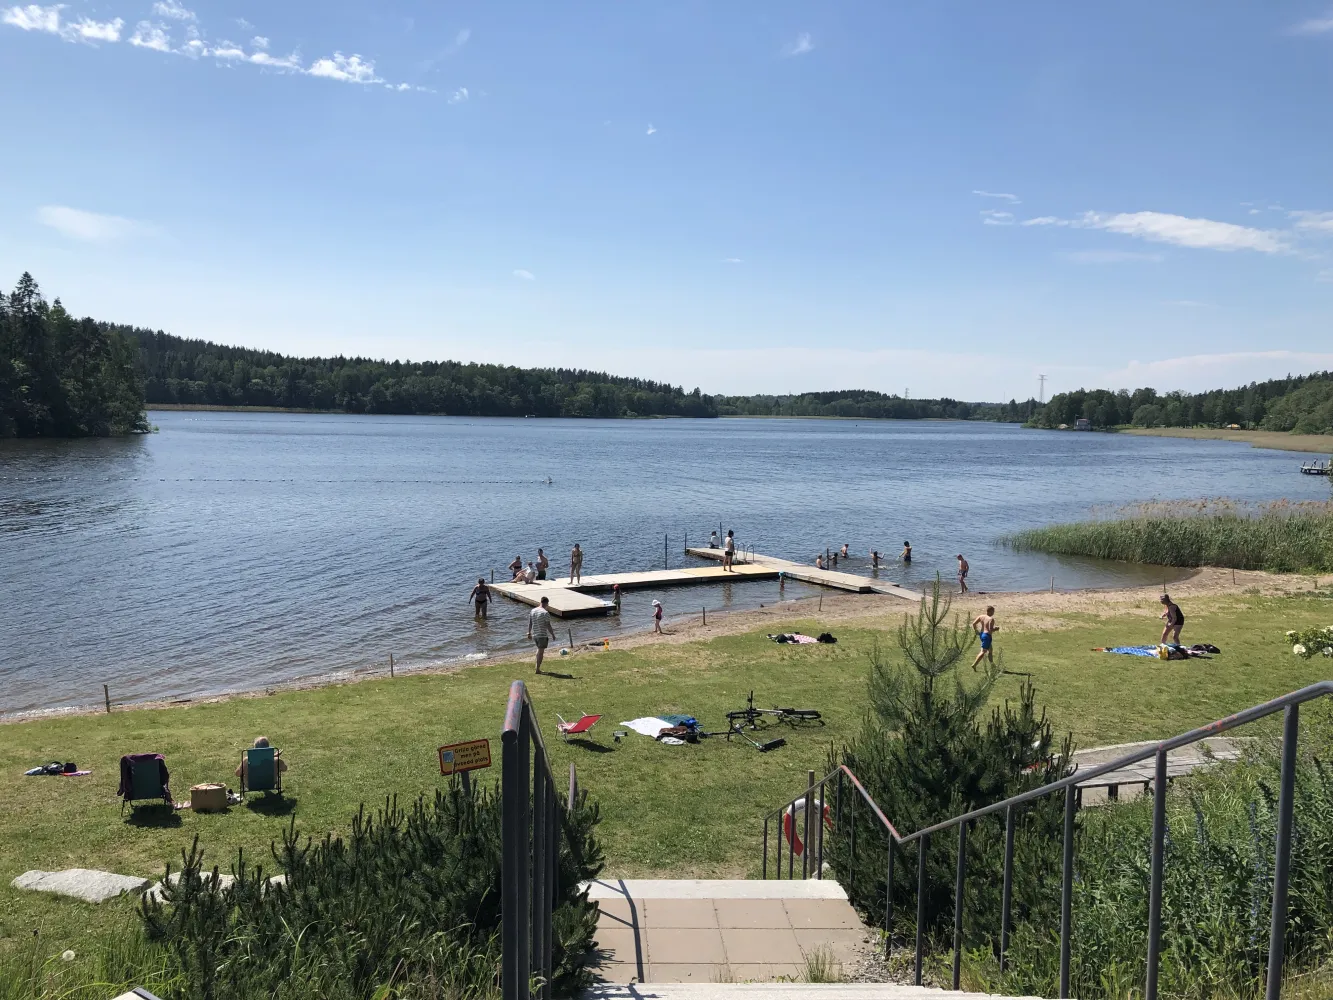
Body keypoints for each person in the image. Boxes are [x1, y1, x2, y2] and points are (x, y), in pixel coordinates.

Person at [527, 596, 557, 673]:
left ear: (540, 602)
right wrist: (553, 634)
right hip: (542, 635)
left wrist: (529, 632)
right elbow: (548, 625)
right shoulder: (545, 613)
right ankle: (537, 669)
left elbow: (530, 623)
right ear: (546, 603)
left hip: (535, 635)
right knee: (541, 652)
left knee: (539, 650)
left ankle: (537, 667)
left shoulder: (533, 611)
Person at [971, 606, 997, 670]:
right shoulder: (991, 619)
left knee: (990, 650)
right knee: (983, 651)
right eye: (993, 611)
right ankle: (974, 664)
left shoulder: (981, 616)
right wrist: (996, 629)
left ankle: (992, 665)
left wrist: (976, 631)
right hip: (987, 636)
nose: (993, 613)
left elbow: (974, 624)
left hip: (982, 634)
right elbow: (990, 630)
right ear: (990, 611)